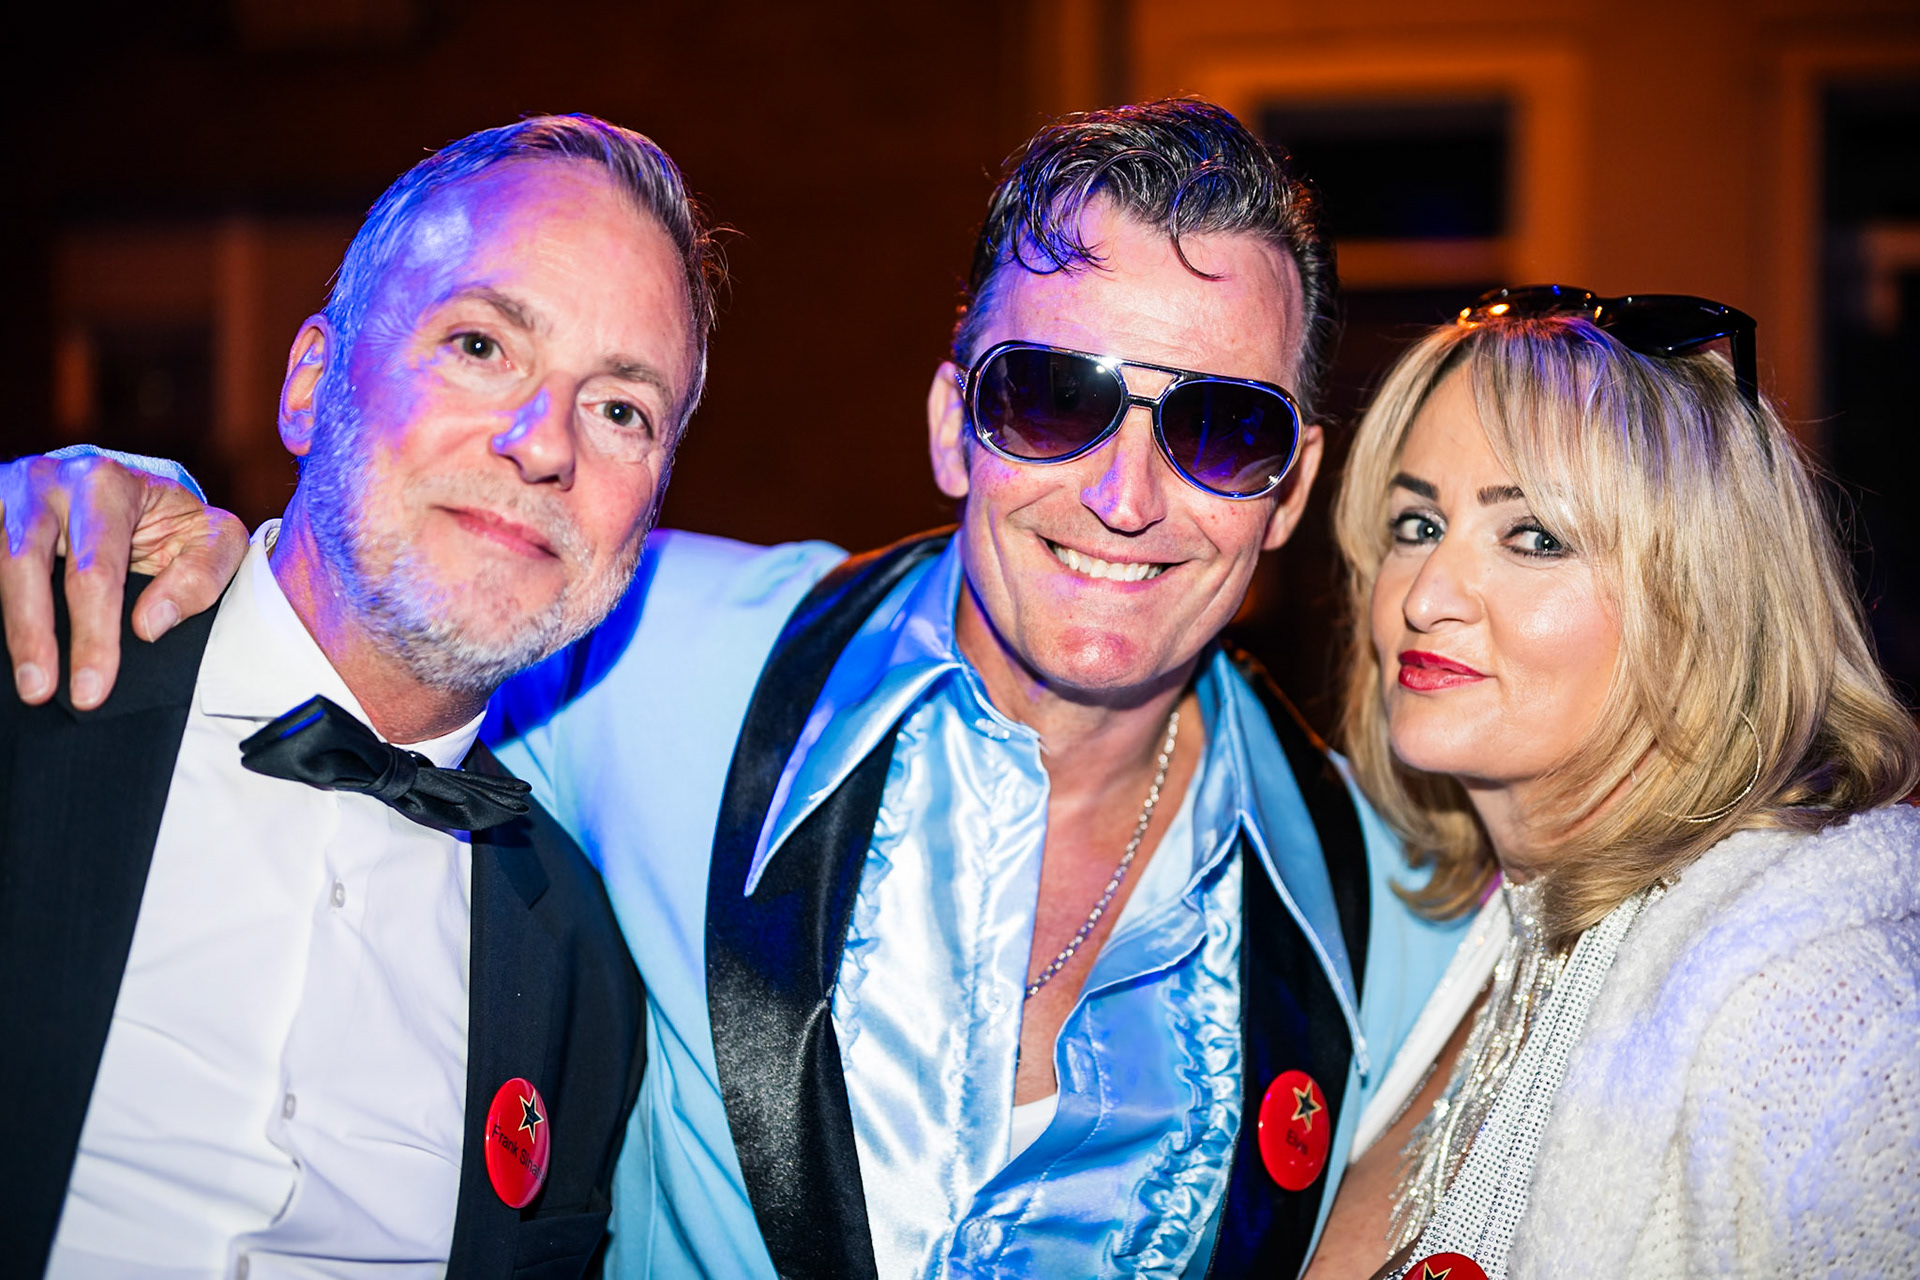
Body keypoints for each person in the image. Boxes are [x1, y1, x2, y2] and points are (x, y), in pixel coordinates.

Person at [1, 100, 1468, 1278]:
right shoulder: (658, 644)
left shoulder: (1386, 899)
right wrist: (131, 517)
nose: (1125, 496)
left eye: (1220, 428)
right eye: (1051, 398)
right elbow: (418, 593)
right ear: (952, 425)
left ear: (1292, 488)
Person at [0, 114, 723, 1276]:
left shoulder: (586, 975)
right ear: (310, 381)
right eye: (482, 344)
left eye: (621, 409)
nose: (544, 443)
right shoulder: (30, 658)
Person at [1303, 288, 1920, 1279]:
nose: (1425, 596)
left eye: (1534, 537)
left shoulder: (1816, 1009)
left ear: (1701, 603)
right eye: (1417, 523)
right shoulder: (1461, 945)